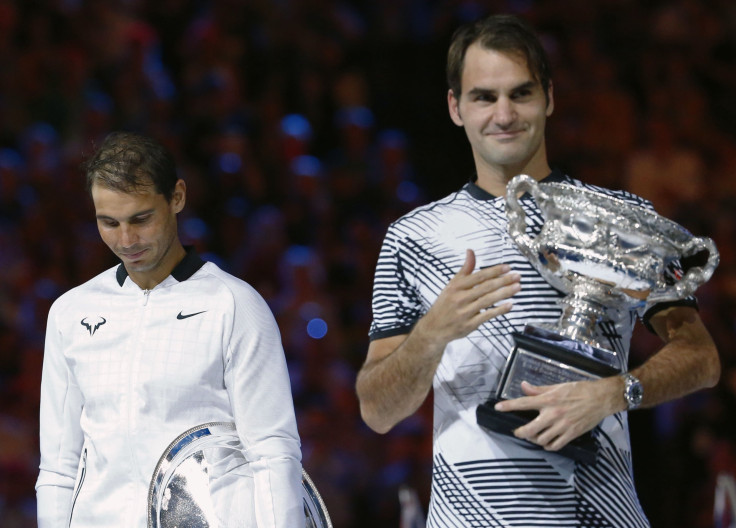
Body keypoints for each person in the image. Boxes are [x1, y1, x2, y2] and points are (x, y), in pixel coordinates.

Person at [356, 13, 720, 527]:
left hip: (603, 513)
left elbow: (701, 357)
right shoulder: (413, 237)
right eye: (484, 97)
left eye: (520, 94)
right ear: (455, 108)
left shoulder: (619, 219)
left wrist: (614, 393)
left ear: (549, 98)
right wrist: (431, 334)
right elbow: (377, 410)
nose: (503, 114)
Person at [35, 132, 305, 527]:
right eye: (109, 223)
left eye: (141, 219)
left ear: (177, 197)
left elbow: (272, 452)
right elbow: (59, 467)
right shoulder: (70, 313)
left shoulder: (232, 305)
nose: (126, 240)